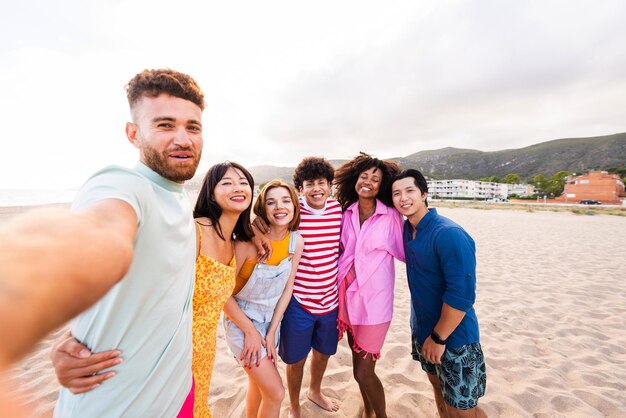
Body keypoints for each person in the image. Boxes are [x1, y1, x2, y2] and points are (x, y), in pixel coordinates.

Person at [2, 68, 207, 417]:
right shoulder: (122, 186)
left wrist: (78, 331)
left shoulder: (178, 196)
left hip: (178, 396)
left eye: (193, 127)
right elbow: (100, 236)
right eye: (164, 125)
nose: (183, 139)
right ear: (133, 133)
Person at [391, 169, 487, 418]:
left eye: (410, 191)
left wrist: (439, 338)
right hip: (423, 331)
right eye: (396, 193)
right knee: (441, 392)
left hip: (454, 338)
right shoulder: (407, 229)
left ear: (424, 194)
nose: (403, 198)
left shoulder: (448, 233)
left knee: (462, 409)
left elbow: (462, 294)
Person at [252, 157, 341, 418]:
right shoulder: (294, 211)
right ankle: (294, 405)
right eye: (309, 183)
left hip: (331, 301)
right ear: (300, 188)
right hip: (298, 301)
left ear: (329, 185)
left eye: (321, 183)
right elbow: (264, 219)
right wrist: (256, 227)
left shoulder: (338, 210)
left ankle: (314, 391)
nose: (316, 189)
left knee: (323, 354)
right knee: (295, 359)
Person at [223, 180, 304, 418]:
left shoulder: (295, 242)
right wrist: (250, 332)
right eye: (271, 202)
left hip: (270, 324)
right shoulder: (247, 243)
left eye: (285, 200)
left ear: (294, 205)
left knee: (258, 386)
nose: (279, 207)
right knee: (276, 393)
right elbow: (223, 294)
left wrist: (272, 331)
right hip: (241, 323)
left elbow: (287, 289)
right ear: (262, 208)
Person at [333, 152, 404, 418]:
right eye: (364, 176)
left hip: (375, 302)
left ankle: (380, 415)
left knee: (364, 371)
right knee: (356, 365)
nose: (368, 182)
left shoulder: (392, 216)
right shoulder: (346, 211)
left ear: (381, 185)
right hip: (348, 297)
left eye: (375, 179)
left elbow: (406, 252)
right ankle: (368, 409)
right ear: (355, 179)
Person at [191, 161, 255, 417]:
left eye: (243, 182)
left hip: (204, 348)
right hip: (173, 345)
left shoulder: (234, 244)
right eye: (226, 183)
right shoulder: (195, 231)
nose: (237, 187)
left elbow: (223, 297)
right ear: (211, 194)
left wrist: (249, 329)